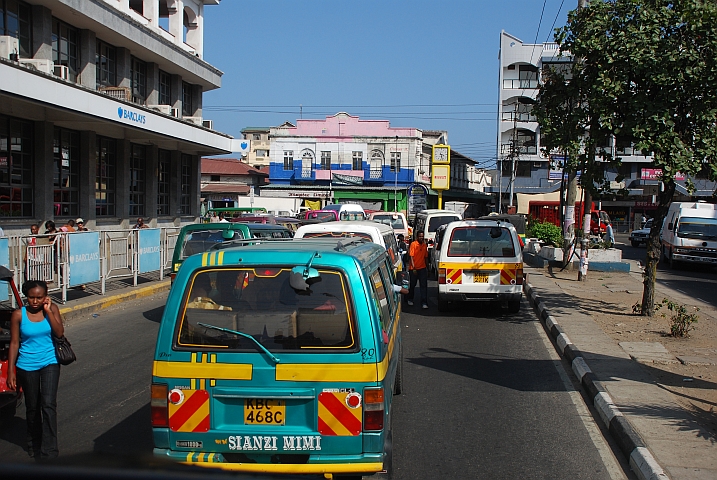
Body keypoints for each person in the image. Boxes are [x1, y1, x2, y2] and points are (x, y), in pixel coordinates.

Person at [6, 280, 64, 460]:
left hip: (50, 362)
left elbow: (60, 333)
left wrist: (48, 311)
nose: (35, 301)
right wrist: (11, 371)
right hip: (26, 365)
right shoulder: (18, 315)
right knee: (33, 407)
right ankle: (34, 443)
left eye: (39, 297)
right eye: (32, 297)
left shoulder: (52, 309)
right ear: (26, 297)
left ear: (45, 296)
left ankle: (50, 450)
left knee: (48, 405)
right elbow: (14, 343)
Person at [407, 231, 429, 309]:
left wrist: (427, 268)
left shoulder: (424, 245)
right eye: (420, 236)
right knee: (412, 285)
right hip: (414, 269)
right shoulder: (413, 244)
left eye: (422, 236)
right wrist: (414, 268)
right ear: (417, 237)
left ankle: (424, 302)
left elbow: (426, 257)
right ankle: (410, 299)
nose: (421, 238)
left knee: (423, 286)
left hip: (422, 268)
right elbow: (411, 256)